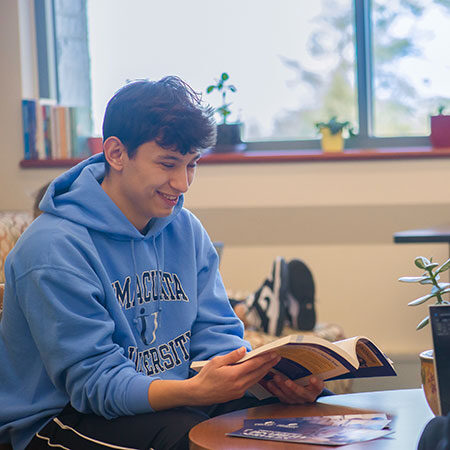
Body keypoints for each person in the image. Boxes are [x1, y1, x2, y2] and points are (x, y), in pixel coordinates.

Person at [0, 76, 325, 450]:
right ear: (117, 153)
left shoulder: (184, 228)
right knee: (190, 434)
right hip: (59, 419)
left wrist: (266, 379)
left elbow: (215, 336)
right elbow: (94, 385)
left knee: (302, 411)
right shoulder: (53, 249)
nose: (183, 183)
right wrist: (193, 391)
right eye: (168, 164)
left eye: (191, 165)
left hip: (171, 398)